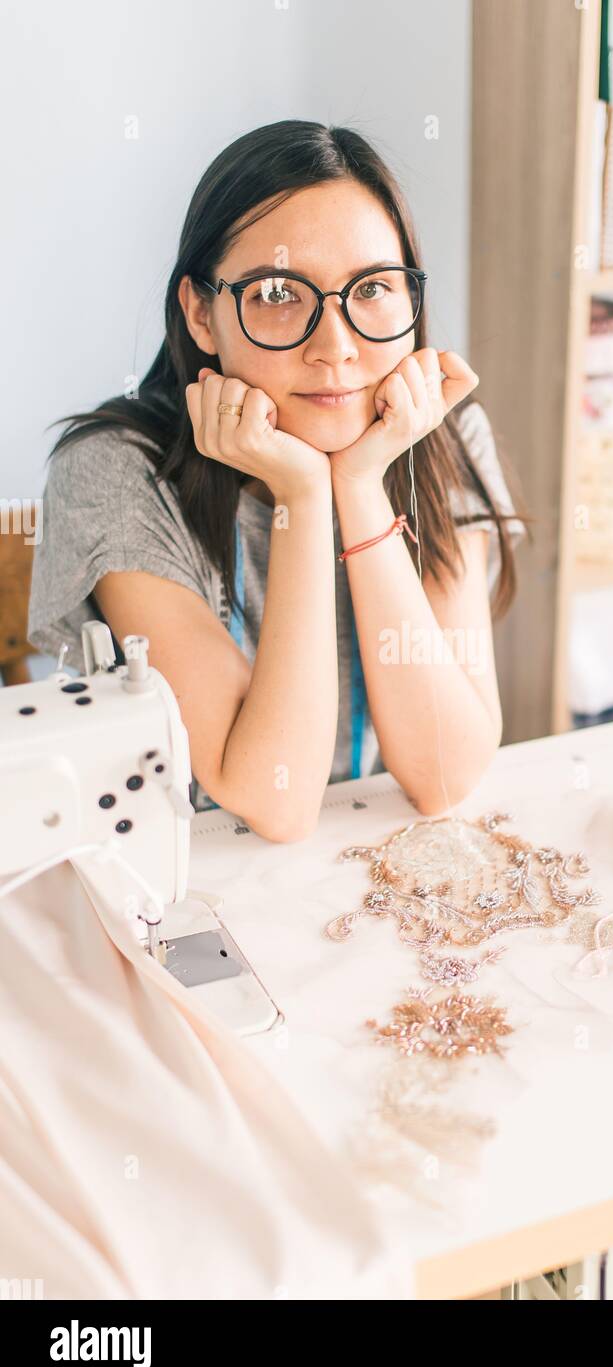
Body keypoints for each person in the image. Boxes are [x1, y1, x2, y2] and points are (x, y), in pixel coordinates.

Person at [28, 120, 526, 841]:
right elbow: (274, 801)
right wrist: (302, 496)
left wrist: (359, 485)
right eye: (275, 294)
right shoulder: (113, 472)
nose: (336, 348)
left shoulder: (442, 435)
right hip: (197, 886)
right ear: (201, 313)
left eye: (374, 289)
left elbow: (445, 774)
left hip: (384, 867)